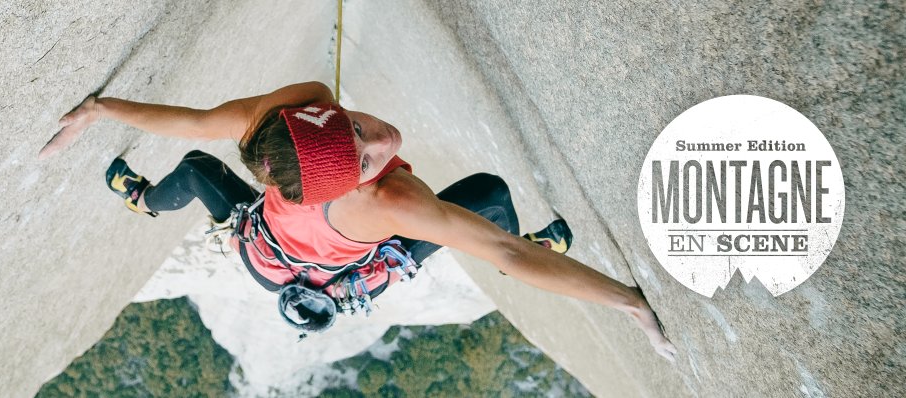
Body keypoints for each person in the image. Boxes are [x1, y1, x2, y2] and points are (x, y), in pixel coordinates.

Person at [39, 81, 677, 361]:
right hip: (335, 267)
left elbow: (193, 119)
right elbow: (506, 256)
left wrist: (100, 108)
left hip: (274, 256)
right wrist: (628, 302)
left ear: (315, 121)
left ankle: (148, 200)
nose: (382, 139)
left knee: (201, 168)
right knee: (488, 198)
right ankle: (142, 201)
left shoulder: (286, 117)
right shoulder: (391, 203)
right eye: (366, 160)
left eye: (355, 130)